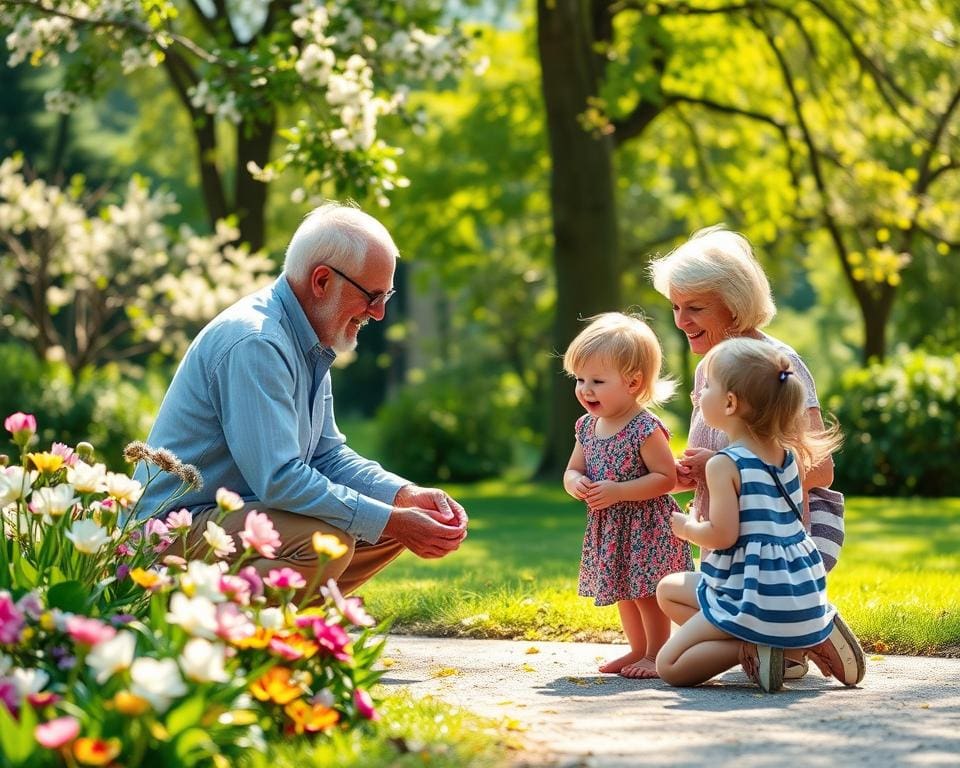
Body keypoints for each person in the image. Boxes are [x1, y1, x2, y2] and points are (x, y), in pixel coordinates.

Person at [133, 202, 468, 596]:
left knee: (392, 525)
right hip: (171, 531)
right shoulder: (257, 342)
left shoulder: (307, 338)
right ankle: (215, 631)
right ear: (322, 281)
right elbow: (280, 479)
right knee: (327, 543)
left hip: (236, 518)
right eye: (372, 295)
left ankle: (285, 625)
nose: (378, 313)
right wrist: (391, 519)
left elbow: (326, 456)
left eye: (387, 296)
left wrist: (403, 497)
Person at [655, 337, 865, 692]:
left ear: (730, 402)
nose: (700, 395)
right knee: (668, 589)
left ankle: (751, 648)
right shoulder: (789, 456)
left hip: (748, 593)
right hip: (797, 589)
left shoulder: (723, 464)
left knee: (670, 665)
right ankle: (797, 637)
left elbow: (722, 536)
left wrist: (688, 527)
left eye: (707, 387)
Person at [562, 313, 694, 679]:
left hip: (647, 528)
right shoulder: (586, 426)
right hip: (612, 527)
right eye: (580, 379)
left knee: (647, 593)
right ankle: (637, 649)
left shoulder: (645, 428)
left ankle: (656, 653)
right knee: (624, 590)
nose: (585, 389)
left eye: (598, 381)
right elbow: (573, 469)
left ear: (633, 382)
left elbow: (665, 478)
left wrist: (619, 491)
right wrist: (575, 483)